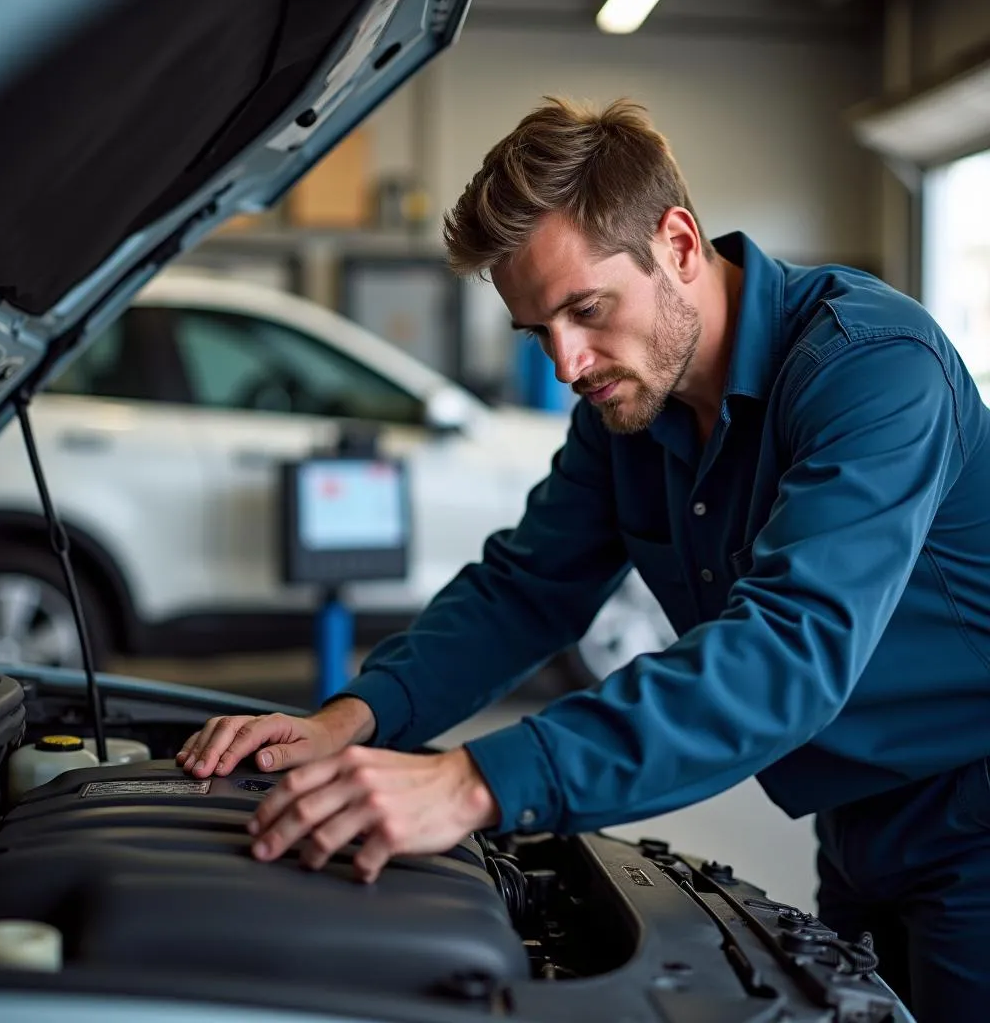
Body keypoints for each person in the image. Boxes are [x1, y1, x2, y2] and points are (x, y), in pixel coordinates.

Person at [178, 98, 990, 1018]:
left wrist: (476, 782)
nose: (567, 363)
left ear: (678, 243)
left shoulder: (873, 368)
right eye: (538, 332)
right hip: (860, 818)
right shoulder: (629, 410)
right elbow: (526, 588)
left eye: (586, 309)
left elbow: (786, 653)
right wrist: (356, 716)